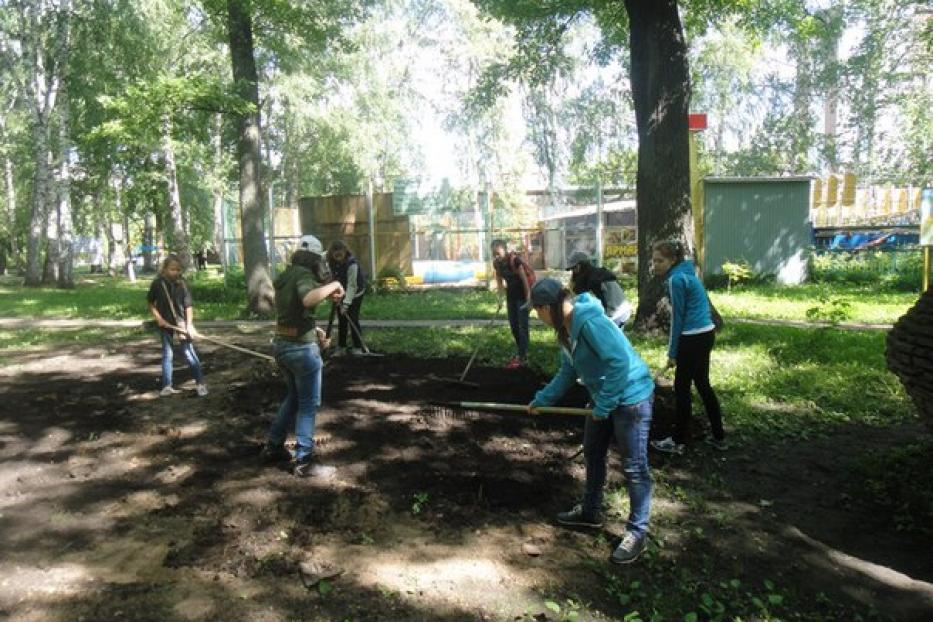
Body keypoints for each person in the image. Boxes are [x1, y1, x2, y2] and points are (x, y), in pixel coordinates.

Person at [528, 278, 655, 564]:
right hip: (604, 397)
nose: (537, 317)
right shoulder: (567, 329)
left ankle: (637, 533)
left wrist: (606, 404)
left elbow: (619, 361)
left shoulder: (589, 323)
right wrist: (543, 399)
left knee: (635, 468)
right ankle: (590, 511)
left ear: (547, 308)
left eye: (536, 311)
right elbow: (568, 372)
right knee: (593, 453)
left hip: (631, 397)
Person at [262, 234, 345, 478]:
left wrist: (313, 328)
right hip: (301, 352)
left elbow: (294, 310)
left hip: (283, 345)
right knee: (308, 405)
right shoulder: (304, 275)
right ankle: (304, 462)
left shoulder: (287, 275)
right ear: (314, 257)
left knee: (294, 398)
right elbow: (308, 299)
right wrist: (334, 285)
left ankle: (273, 447)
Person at [648, 240, 725, 454]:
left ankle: (677, 441)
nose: (656, 265)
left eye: (660, 260)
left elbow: (677, 319)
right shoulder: (688, 273)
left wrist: (673, 352)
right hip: (706, 334)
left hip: (692, 337)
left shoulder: (676, 280)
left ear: (673, 260)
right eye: (654, 261)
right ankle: (719, 435)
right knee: (702, 384)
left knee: (681, 389)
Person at [146, 255, 208, 397]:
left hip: (181, 323)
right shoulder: (157, 284)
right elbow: (150, 302)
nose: (175, 272)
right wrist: (159, 319)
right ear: (165, 269)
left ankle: (200, 384)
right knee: (167, 354)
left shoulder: (183, 284)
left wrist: (189, 325)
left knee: (189, 352)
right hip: (165, 323)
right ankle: (167, 386)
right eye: (172, 269)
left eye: (178, 270)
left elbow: (188, 306)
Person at [491, 239, 535, 369]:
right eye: (494, 253)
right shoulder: (497, 264)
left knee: (522, 326)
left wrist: (528, 299)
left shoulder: (514, 260)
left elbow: (525, 281)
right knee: (513, 325)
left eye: (498, 252)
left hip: (522, 296)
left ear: (504, 249)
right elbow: (499, 282)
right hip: (511, 296)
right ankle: (520, 351)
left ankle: (523, 356)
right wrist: (500, 299)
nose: (496, 256)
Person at [567, 251, 633, 328]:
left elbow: (580, 301)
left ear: (579, 266)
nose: (572, 273)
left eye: (573, 269)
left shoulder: (591, 279)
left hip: (615, 315)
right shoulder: (598, 274)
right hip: (623, 311)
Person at [326, 240, 367, 356]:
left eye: (340, 254)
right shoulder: (331, 262)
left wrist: (346, 304)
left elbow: (352, 285)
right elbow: (332, 277)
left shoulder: (352, 264)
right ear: (332, 254)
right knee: (342, 320)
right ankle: (341, 347)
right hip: (341, 292)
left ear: (345, 252)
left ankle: (358, 347)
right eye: (335, 255)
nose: (338, 257)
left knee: (352, 318)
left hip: (356, 292)